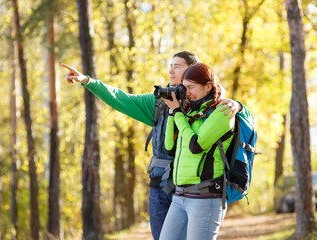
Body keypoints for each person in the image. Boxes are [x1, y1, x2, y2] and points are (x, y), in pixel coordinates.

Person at [62, 51, 252, 240]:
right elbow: (120, 98)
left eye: (178, 67)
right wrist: (87, 81)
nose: (171, 71)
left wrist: (238, 105)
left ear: (192, 71)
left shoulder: (212, 104)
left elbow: (236, 121)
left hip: (200, 189)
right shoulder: (159, 103)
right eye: (171, 66)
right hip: (162, 185)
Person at [160, 63, 243, 240]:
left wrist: (178, 113)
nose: (187, 92)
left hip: (206, 197)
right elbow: (169, 148)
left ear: (208, 86)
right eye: (184, 87)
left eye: (191, 87)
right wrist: (172, 112)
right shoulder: (190, 111)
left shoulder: (223, 111)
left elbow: (196, 146)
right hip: (179, 195)